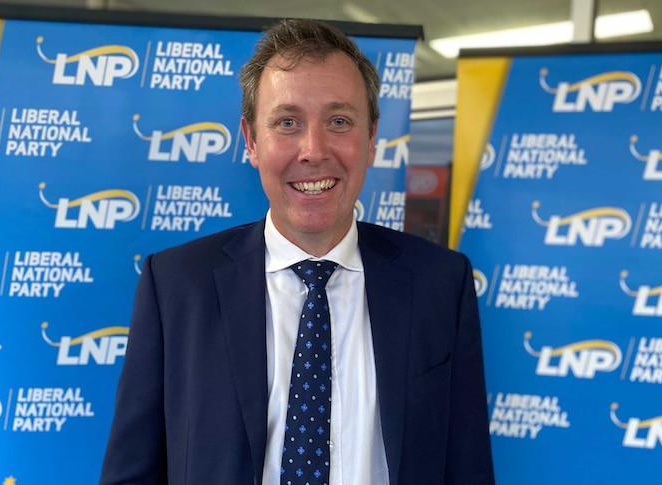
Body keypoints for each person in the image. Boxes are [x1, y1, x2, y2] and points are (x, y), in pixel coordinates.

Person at [100, 18, 494, 485]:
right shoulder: (177, 285)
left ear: (371, 139)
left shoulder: (440, 284)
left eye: (339, 121)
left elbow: (466, 467)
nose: (313, 150)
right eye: (287, 122)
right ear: (250, 140)